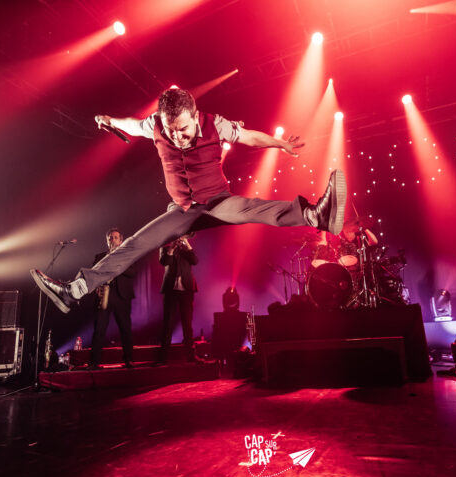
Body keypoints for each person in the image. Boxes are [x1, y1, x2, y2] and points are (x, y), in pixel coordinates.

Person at [31, 88, 347, 314]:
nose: (178, 137)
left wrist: (280, 144)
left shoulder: (215, 124)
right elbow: (132, 125)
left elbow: (248, 136)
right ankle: (75, 290)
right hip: (182, 209)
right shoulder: (156, 125)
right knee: (135, 244)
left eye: (183, 129)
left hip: (217, 202)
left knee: (252, 208)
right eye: (171, 131)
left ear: (194, 116)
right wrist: (112, 121)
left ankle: (316, 215)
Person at [89, 228, 138, 370]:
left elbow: (132, 272)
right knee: (99, 329)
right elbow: (93, 275)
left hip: (122, 296)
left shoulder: (127, 255)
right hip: (105, 294)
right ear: (107, 241)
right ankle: (94, 363)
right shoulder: (99, 257)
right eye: (110, 238)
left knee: (125, 329)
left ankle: (129, 360)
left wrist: (118, 264)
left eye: (115, 237)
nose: (113, 240)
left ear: (121, 241)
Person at [158, 235, 198, 365]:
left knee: (187, 324)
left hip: (186, 290)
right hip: (170, 290)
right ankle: (163, 358)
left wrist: (186, 243)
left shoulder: (187, 249)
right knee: (168, 324)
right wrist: (171, 248)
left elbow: (195, 261)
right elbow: (164, 262)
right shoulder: (165, 247)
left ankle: (191, 356)